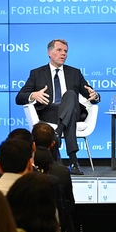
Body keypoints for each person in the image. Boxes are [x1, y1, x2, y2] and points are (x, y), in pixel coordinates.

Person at [16, 39, 101, 175]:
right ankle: (73, 161)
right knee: (71, 113)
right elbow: (19, 97)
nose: (63, 54)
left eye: (66, 51)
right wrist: (33, 95)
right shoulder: (37, 73)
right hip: (49, 112)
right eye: (59, 50)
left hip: (72, 110)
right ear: (49, 53)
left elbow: (91, 94)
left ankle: (57, 133)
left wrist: (95, 95)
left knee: (71, 95)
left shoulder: (75, 73)